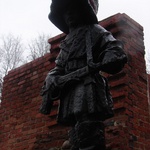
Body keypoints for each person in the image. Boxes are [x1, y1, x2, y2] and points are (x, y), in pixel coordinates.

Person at [40, 0, 127, 149]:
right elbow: (59, 66)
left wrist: (110, 56)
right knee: (74, 127)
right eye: (65, 11)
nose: (68, 14)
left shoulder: (95, 31)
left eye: (72, 9)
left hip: (87, 85)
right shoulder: (67, 41)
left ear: (83, 11)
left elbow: (114, 48)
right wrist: (52, 77)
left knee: (89, 126)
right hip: (70, 88)